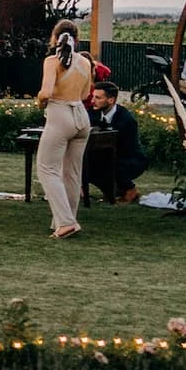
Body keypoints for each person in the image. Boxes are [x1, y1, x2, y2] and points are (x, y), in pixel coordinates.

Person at [34, 20, 95, 240]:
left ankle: (66, 222)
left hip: (60, 114)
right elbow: (86, 94)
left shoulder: (52, 62)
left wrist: (40, 102)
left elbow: (46, 92)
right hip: (81, 116)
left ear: (54, 38)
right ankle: (64, 219)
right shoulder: (86, 63)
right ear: (77, 39)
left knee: (46, 169)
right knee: (72, 173)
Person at [86, 81, 149, 205]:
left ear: (110, 100)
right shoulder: (92, 112)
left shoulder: (126, 119)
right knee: (86, 163)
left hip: (131, 159)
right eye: (93, 96)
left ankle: (130, 190)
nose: (93, 101)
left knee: (105, 164)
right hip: (107, 155)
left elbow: (125, 148)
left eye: (98, 98)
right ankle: (111, 191)